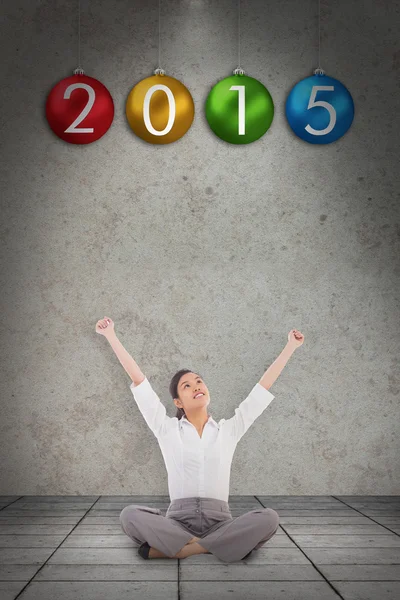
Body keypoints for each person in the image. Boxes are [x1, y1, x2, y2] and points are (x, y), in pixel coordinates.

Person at [95, 316, 304, 562]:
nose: (196, 386)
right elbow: (140, 381)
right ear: (178, 402)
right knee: (129, 515)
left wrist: (290, 346)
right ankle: (219, 547)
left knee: (269, 518)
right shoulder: (166, 429)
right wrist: (111, 336)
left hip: (221, 522)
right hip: (177, 522)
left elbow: (261, 390)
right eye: (186, 386)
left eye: (199, 381)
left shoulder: (229, 430)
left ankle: (184, 549)